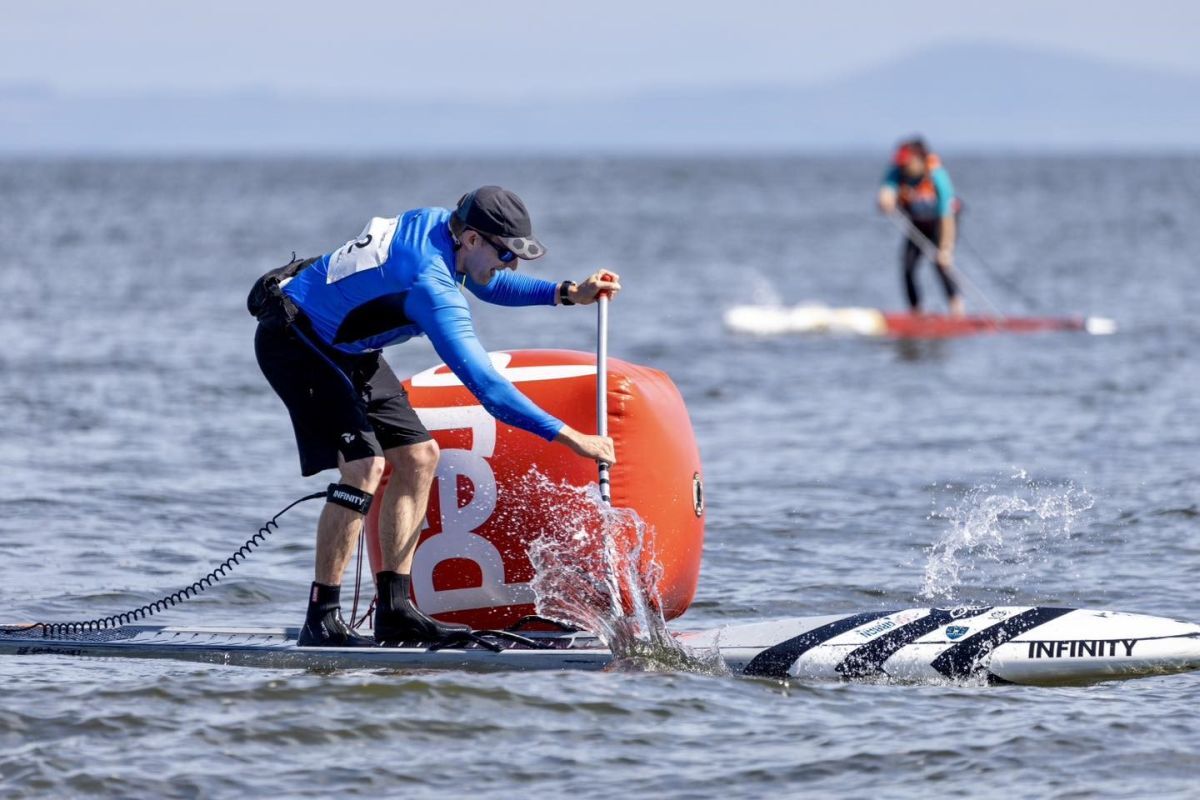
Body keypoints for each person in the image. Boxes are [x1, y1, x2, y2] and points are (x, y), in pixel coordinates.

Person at [248, 185, 620, 647]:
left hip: (346, 349)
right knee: (365, 468)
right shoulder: (431, 285)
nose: (512, 266)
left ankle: (395, 611)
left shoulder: (444, 226)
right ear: (471, 240)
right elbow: (489, 389)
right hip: (294, 340)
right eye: (507, 254)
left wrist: (566, 293)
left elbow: (488, 280)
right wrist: (571, 438)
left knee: (420, 457)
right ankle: (321, 618)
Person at [876, 137, 965, 316]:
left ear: (919, 159)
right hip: (917, 223)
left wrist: (946, 249)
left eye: (908, 163)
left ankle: (957, 309)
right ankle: (916, 312)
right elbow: (886, 193)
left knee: (940, 264)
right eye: (902, 164)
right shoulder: (897, 171)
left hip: (941, 223)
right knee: (908, 266)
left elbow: (947, 217)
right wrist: (885, 201)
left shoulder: (937, 175)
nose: (905, 168)